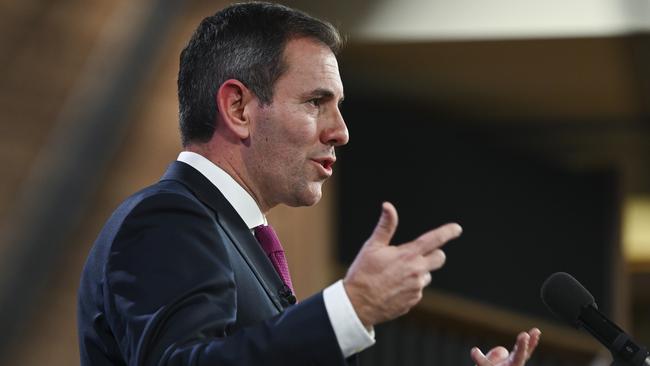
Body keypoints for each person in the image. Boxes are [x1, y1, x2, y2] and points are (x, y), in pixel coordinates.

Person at [77, 2, 540, 366]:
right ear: (238, 108)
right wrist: (349, 308)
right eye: (317, 101)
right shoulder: (167, 220)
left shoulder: (231, 235)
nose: (340, 131)